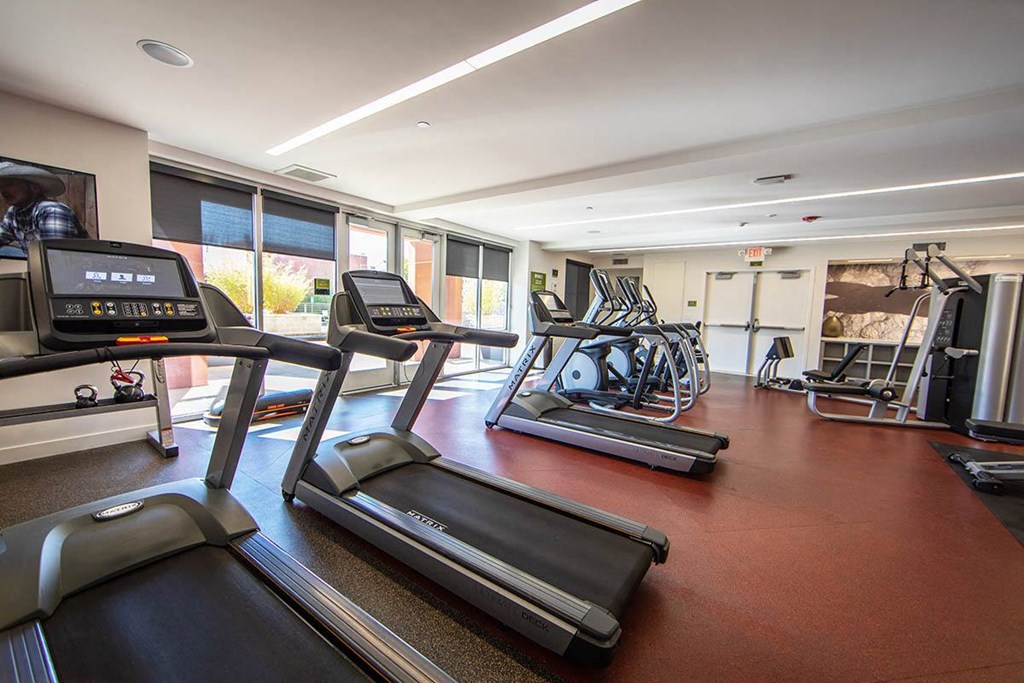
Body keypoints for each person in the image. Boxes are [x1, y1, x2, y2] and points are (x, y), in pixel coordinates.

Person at [0, 161, 88, 256]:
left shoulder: (51, 211)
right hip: (39, 261)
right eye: (1, 187)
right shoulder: (13, 212)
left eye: (10, 184)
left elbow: (56, 256)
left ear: (35, 188)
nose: (4, 191)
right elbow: (2, 236)